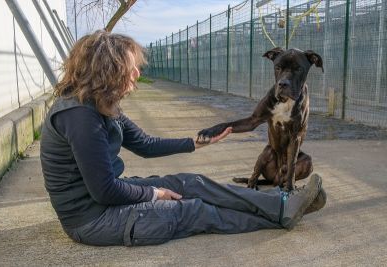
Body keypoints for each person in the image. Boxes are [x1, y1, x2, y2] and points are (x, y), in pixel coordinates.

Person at [40, 30, 326, 247]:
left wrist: (195, 142)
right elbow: (104, 191)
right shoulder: (79, 115)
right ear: (107, 71)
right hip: (93, 219)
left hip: (107, 200)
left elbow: (144, 144)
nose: (138, 74)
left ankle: (281, 204)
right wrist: (154, 194)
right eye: (130, 68)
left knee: (192, 183)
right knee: (194, 210)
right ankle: (281, 215)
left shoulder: (100, 102)